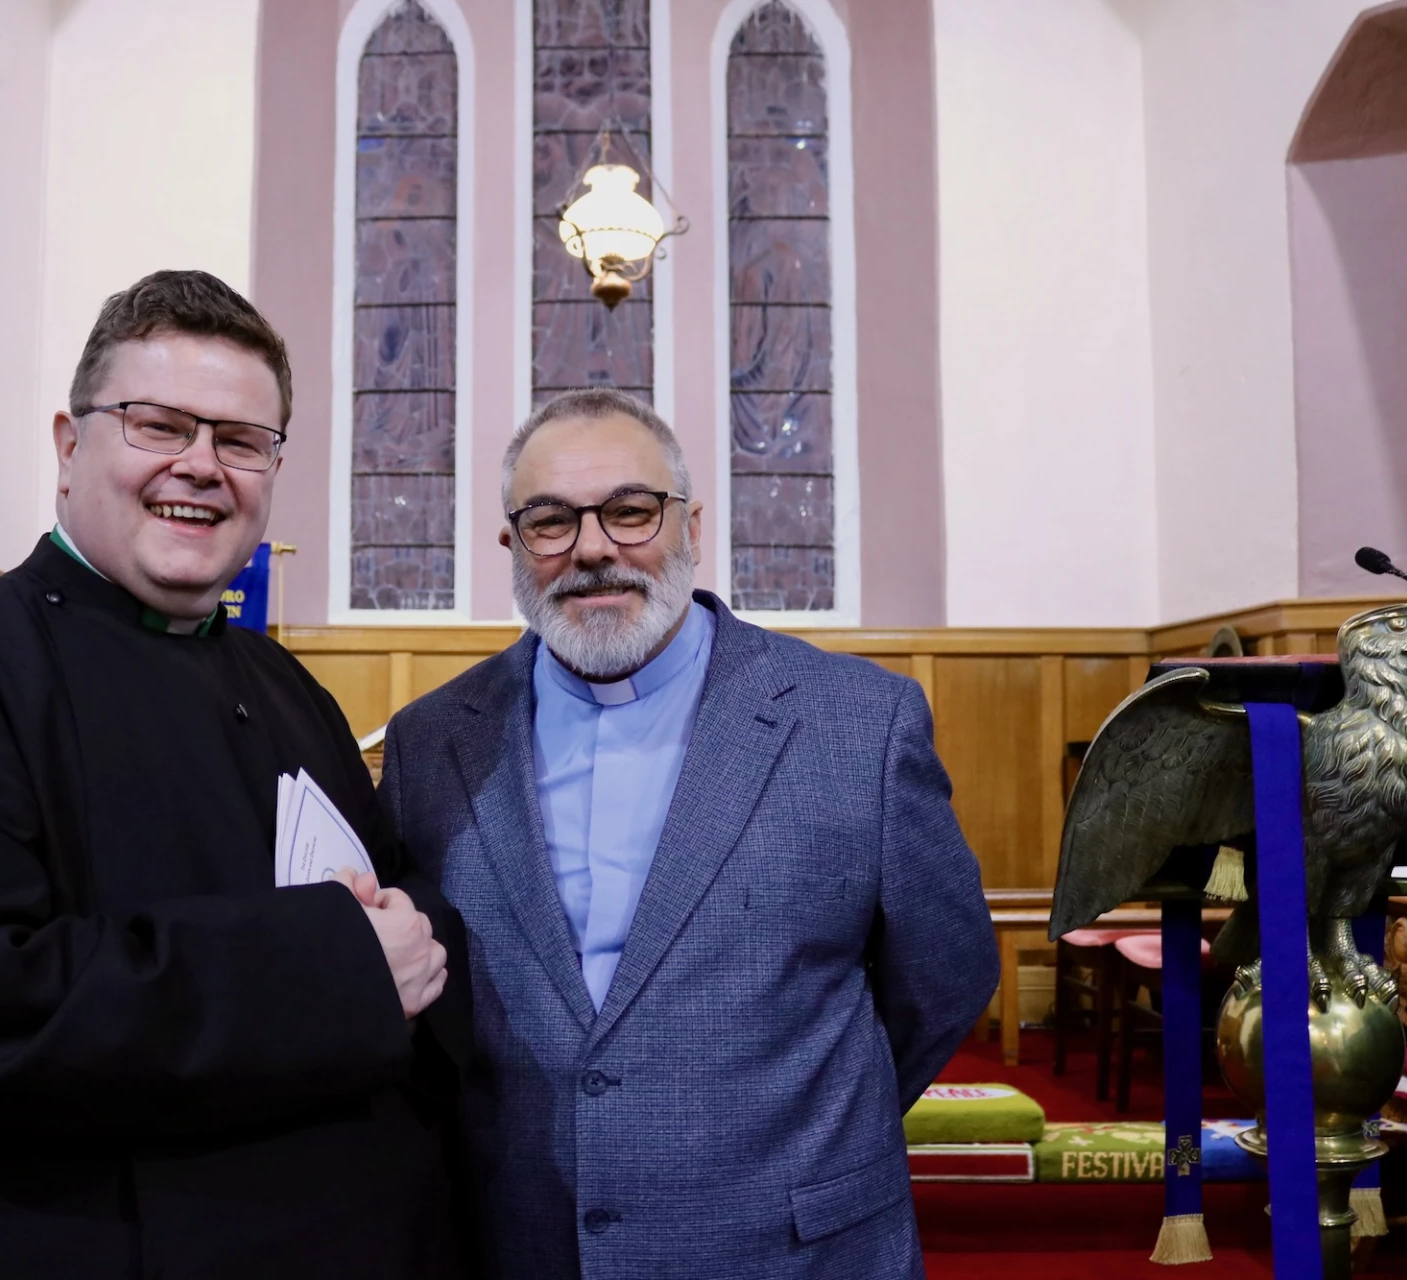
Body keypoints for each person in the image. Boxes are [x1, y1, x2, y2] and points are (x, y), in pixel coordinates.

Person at [0, 270, 469, 1280]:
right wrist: (339, 968)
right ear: (70, 446)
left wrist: (414, 937)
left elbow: (398, 912)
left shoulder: (290, 688)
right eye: (158, 426)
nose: (200, 465)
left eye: (240, 441)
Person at [379, 388, 997, 1279]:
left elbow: (943, 976)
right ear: (512, 547)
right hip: (525, 1242)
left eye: (631, 511)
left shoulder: (859, 723)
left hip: (791, 1247)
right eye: (551, 521)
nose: (594, 548)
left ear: (692, 526)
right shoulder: (432, 742)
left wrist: (804, 1132)